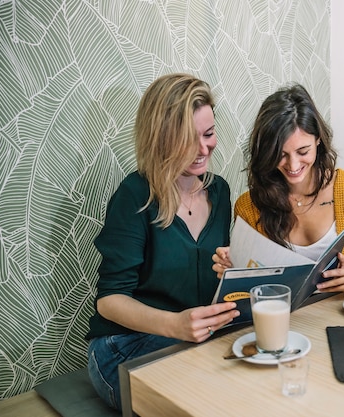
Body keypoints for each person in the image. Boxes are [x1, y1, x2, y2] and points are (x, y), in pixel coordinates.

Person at [86, 73, 239, 411]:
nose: (203, 150)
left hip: (194, 340)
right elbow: (110, 301)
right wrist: (175, 324)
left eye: (209, 134)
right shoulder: (135, 196)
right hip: (124, 346)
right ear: (162, 139)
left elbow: (209, 278)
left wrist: (233, 268)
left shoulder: (220, 192)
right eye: (188, 139)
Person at [213, 84, 344, 296]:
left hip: (338, 318)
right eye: (280, 155)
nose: (293, 166)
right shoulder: (249, 206)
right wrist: (232, 270)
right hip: (282, 321)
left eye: (303, 151)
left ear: (318, 139)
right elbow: (250, 287)